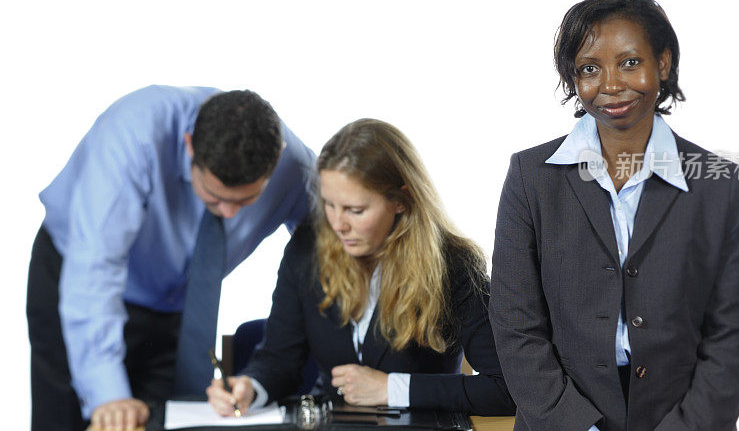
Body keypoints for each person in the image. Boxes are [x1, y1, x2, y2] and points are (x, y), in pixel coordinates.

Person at [489, 0, 739, 430]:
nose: (611, 85)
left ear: (664, 63)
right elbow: (514, 322)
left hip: (682, 417)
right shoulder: (531, 176)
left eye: (630, 62)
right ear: (573, 81)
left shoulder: (718, 182)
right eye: (589, 69)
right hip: (561, 418)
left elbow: (734, 330)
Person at [27, 85, 316, 431]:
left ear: (277, 158)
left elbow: (330, 255)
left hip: (179, 302)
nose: (227, 212)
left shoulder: (296, 166)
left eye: (245, 200)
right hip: (77, 282)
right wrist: (108, 396)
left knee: (174, 421)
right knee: (74, 419)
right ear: (189, 144)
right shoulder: (132, 136)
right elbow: (95, 268)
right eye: (213, 197)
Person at [206, 119, 516, 416]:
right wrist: (251, 386)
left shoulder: (455, 264)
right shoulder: (307, 247)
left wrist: (393, 389)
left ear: (402, 200)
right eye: (329, 205)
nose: (338, 225)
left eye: (355, 210)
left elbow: (507, 388)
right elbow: (279, 359)